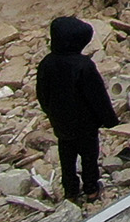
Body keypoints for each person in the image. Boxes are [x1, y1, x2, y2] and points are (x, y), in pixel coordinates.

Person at [35, 16, 116, 201]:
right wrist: (109, 119)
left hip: (61, 123)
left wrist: (50, 113)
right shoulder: (84, 65)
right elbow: (97, 96)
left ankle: (70, 190)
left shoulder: (47, 63)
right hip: (85, 123)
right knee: (89, 157)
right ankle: (91, 188)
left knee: (67, 157)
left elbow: (41, 93)